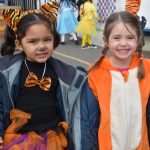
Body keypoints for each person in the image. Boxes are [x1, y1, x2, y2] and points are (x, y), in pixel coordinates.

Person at [0, 2, 100, 150]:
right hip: (20, 139)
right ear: (19, 44)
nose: (41, 46)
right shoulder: (7, 72)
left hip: (53, 138)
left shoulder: (65, 73)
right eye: (33, 41)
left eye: (47, 40)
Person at [88, 11, 150, 150]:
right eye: (116, 38)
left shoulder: (147, 68)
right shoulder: (95, 72)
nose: (123, 43)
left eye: (130, 37)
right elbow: (89, 119)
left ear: (138, 40)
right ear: (106, 40)